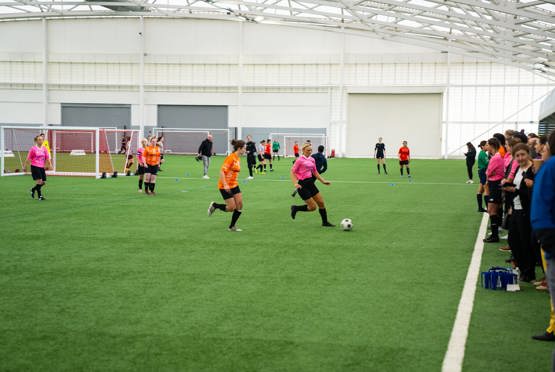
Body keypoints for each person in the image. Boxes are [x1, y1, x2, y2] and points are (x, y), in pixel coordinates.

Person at [531, 131, 555, 346]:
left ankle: (553, 327)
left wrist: (546, 238)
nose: (541, 150)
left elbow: (540, 205)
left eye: (544, 146)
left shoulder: (549, 167)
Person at [504, 143, 536, 282]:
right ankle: (523, 269)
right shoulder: (518, 167)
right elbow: (517, 188)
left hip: (526, 210)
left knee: (525, 243)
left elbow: (531, 193)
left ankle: (528, 272)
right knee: (513, 240)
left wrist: (515, 190)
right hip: (516, 209)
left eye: (523, 154)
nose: (520, 157)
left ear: (528, 154)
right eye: (517, 155)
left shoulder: (533, 170)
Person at [290, 143, 334, 227]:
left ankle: (325, 222)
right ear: (303, 150)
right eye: (308, 150)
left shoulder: (312, 159)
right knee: (313, 207)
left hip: (310, 183)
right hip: (302, 185)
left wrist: (323, 181)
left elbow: (315, 172)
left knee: (321, 202)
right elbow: (292, 172)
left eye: (311, 150)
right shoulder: (299, 160)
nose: (310, 152)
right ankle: (295, 208)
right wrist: (295, 183)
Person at [207, 140, 247, 232]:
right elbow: (222, 171)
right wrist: (225, 184)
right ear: (239, 148)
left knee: (240, 205)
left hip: (234, 185)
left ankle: (232, 227)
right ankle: (215, 205)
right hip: (225, 186)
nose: (245, 150)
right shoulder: (231, 158)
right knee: (231, 208)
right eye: (244, 148)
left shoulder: (238, 158)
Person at [484, 138, 504, 243]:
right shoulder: (496, 156)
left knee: (492, 210)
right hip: (495, 184)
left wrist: (488, 175)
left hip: (495, 184)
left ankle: (495, 235)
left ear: (492, 145)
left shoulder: (496, 157)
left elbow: (489, 172)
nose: (486, 146)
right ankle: (494, 233)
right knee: (492, 209)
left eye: (488, 144)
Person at [24, 135, 52, 201]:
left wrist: (50, 165)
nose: (41, 141)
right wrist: (24, 166)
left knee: (43, 182)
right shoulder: (33, 149)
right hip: (35, 166)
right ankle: (40, 196)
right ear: (36, 141)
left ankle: (33, 189)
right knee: (39, 181)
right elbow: (28, 158)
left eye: (42, 139)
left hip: (41, 167)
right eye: (39, 139)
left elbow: (47, 157)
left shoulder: (44, 148)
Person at [476, 140, 489, 212]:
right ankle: (488, 208)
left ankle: (480, 208)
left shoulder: (483, 153)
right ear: (482, 146)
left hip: (481, 171)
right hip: (483, 171)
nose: (488, 146)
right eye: (486, 145)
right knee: (486, 189)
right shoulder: (483, 154)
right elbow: (487, 163)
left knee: (480, 189)